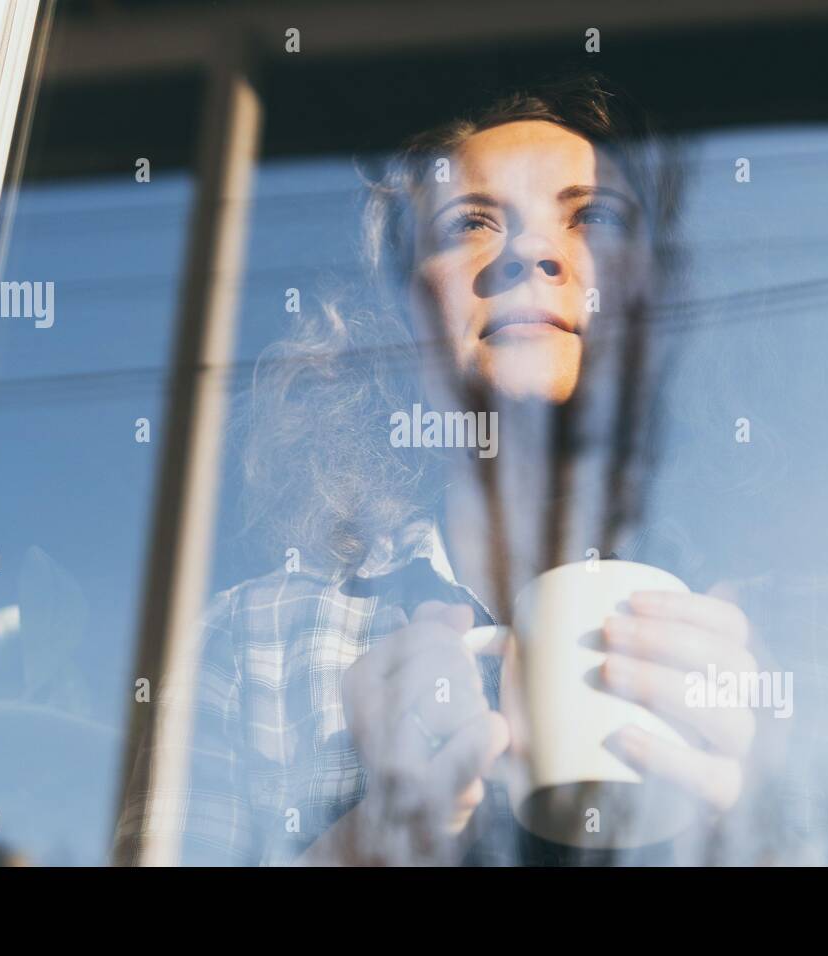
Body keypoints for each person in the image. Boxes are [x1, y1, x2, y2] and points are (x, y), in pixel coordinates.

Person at [115, 72, 759, 866]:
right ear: (402, 320)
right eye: (471, 224)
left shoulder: (789, 641)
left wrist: (759, 825)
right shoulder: (256, 641)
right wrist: (358, 848)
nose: (530, 248)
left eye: (593, 216)